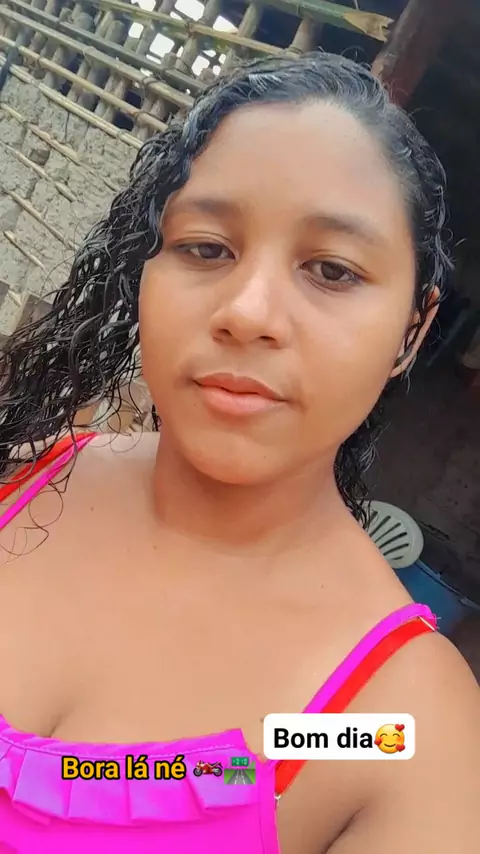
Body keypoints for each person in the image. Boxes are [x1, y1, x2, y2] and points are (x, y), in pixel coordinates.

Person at [0, 52, 478, 854]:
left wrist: (189, 782)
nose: (248, 311)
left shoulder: (398, 729)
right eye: (206, 248)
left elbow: (271, 752)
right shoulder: (23, 476)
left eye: (331, 270)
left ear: (411, 331)